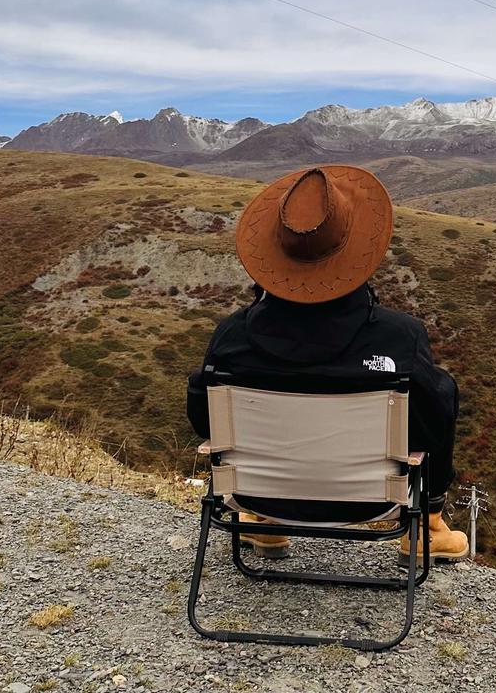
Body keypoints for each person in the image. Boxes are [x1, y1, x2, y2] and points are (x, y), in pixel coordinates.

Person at [186, 163, 468, 564]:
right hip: (369, 504)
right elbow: (432, 422)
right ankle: (428, 530)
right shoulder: (398, 337)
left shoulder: (232, 338)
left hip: (255, 492)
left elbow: (203, 417)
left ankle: (265, 523)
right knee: (441, 394)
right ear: (356, 255)